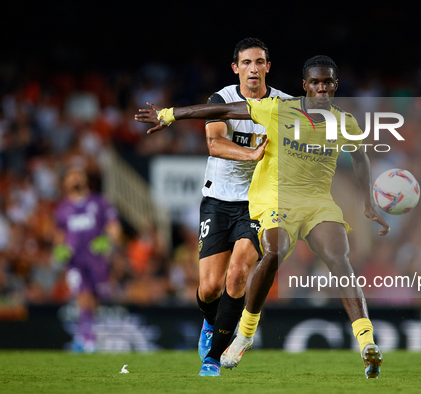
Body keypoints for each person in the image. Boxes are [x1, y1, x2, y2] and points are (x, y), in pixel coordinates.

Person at [135, 55, 389, 379]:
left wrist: (368, 202)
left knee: (341, 259)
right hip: (273, 199)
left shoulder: (345, 121)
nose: (322, 88)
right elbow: (222, 111)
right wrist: (170, 114)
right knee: (261, 259)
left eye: (328, 83)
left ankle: (367, 343)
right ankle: (245, 332)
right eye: (315, 83)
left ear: (336, 86)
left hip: (316, 202)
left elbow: (361, 157)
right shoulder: (280, 110)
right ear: (305, 86)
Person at [145, 38, 291, 377]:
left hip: (259, 201)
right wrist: (252, 154)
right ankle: (212, 323)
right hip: (218, 199)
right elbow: (214, 142)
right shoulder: (221, 99)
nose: (253, 68)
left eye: (259, 62)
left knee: (238, 272)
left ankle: (213, 359)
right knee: (210, 288)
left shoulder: (285, 104)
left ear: (268, 67)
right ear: (235, 68)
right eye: (246, 62)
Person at [53, 166, 122, 352]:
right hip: (75, 260)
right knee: (83, 294)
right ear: (65, 182)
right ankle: (87, 339)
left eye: (78, 174)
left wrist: (106, 241)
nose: (75, 178)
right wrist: (59, 250)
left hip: (96, 260)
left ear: (85, 179)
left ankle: (85, 334)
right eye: (71, 175)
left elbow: (114, 228)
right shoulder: (63, 208)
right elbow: (59, 234)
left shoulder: (99, 202)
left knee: (93, 298)